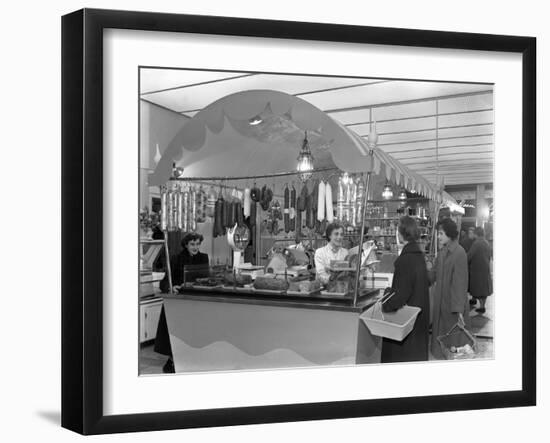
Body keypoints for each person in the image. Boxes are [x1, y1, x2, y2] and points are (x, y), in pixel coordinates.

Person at [155, 232, 209, 373]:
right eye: (192, 244)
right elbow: (165, 281)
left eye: (198, 244)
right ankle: (172, 362)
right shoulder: (176, 258)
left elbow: (206, 278)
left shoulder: (204, 258)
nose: (195, 247)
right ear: (186, 245)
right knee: (175, 334)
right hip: (179, 301)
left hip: (195, 301)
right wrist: (171, 287)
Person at [381, 216, 430, 363]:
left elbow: (400, 295)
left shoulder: (405, 259)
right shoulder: (418, 255)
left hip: (407, 324)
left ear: (401, 234)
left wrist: (385, 301)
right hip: (419, 317)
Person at [428, 218, 471, 360]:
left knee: (454, 344)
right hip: (441, 304)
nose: (438, 237)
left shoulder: (459, 253)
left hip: (453, 308)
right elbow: (432, 275)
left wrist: (459, 310)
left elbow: (460, 284)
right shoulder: (442, 253)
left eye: (441, 233)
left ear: (449, 234)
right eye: (438, 233)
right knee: (442, 342)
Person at [468, 227, 493, 314]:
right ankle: (482, 306)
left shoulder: (476, 243)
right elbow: (490, 255)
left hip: (477, 270)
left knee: (479, 289)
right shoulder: (486, 243)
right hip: (485, 269)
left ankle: (482, 306)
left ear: (476, 234)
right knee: (484, 289)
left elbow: (470, 255)